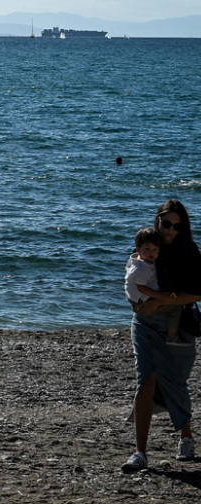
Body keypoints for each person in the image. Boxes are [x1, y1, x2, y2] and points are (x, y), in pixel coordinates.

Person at [123, 200, 201, 472]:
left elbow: (198, 293)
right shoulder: (145, 244)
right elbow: (131, 281)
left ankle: (186, 437)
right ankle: (140, 451)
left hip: (178, 323)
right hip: (144, 323)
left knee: (175, 383)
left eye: (176, 226)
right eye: (166, 223)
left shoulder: (189, 251)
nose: (170, 230)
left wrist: (165, 302)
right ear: (157, 220)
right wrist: (140, 304)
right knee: (145, 381)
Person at [126, 228, 187, 346]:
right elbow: (141, 288)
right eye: (147, 249)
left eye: (155, 250)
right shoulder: (141, 268)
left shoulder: (140, 260)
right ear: (138, 249)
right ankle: (172, 337)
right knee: (176, 308)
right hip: (140, 299)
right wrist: (162, 297)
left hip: (138, 297)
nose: (152, 253)